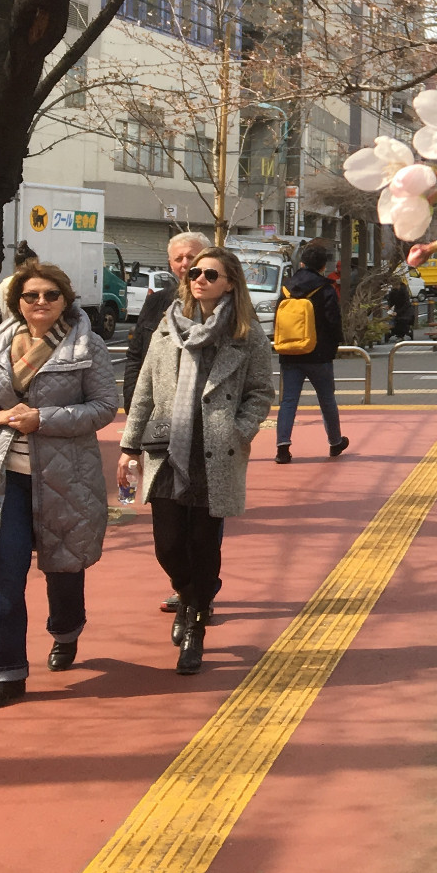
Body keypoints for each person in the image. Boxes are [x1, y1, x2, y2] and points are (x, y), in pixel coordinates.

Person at [0, 259, 118, 710]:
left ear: (66, 300)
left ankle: (66, 630)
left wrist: (42, 419)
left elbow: (105, 406)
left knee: (63, 569)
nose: (41, 303)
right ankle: (6, 672)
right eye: (31, 296)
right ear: (18, 303)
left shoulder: (88, 346)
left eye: (51, 295)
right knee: (4, 574)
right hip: (4, 480)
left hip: (67, 477)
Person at [117, 247, 277, 675]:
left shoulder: (246, 334)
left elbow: (261, 391)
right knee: (169, 546)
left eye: (210, 273)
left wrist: (240, 429)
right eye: (194, 273)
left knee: (204, 545)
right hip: (167, 450)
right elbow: (146, 391)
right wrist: (128, 446)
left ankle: (197, 629)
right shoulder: (168, 329)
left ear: (230, 283)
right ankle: (190, 597)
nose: (198, 279)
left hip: (216, 453)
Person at [273, 242, 350, 464]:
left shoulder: (287, 287)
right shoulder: (325, 288)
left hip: (290, 353)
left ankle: (283, 448)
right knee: (327, 399)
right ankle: (335, 442)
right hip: (319, 354)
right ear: (323, 266)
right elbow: (334, 321)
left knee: (288, 400)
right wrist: (335, 345)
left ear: (302, 263)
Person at [124, 231, 213, 402]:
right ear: (171, 264)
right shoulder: (156, 302)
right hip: (158, 406)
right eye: (178, 259)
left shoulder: (228, 305)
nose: (185, 263)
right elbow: (136, 355)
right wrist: (132, 400)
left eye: (191, 257)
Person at [386, 274, 416, 342]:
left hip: (406, 310)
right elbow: (391, 301)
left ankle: (400, 335)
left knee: (403, 320)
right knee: (394, 319)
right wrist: (389, 306)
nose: (394, 286)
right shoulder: (393, 291)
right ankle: (395, 333)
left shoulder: (404, 290)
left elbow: (406, 303)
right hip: (397, 309)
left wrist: (397, 312)